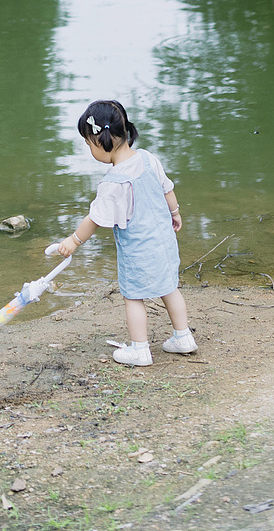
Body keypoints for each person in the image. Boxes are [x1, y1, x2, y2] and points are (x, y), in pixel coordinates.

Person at [51, 97, 197, 366]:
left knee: (133, 296)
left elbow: (95, 219)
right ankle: (183, 336)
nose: (89, 150)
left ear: (101, 142)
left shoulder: (114, 182)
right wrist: (175, 214)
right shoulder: (148, 158)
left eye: (87, 144)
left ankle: (140, 350)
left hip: (138, 251)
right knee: (169, 288)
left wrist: (74, 240)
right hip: (164, 242)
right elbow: (168, 189)